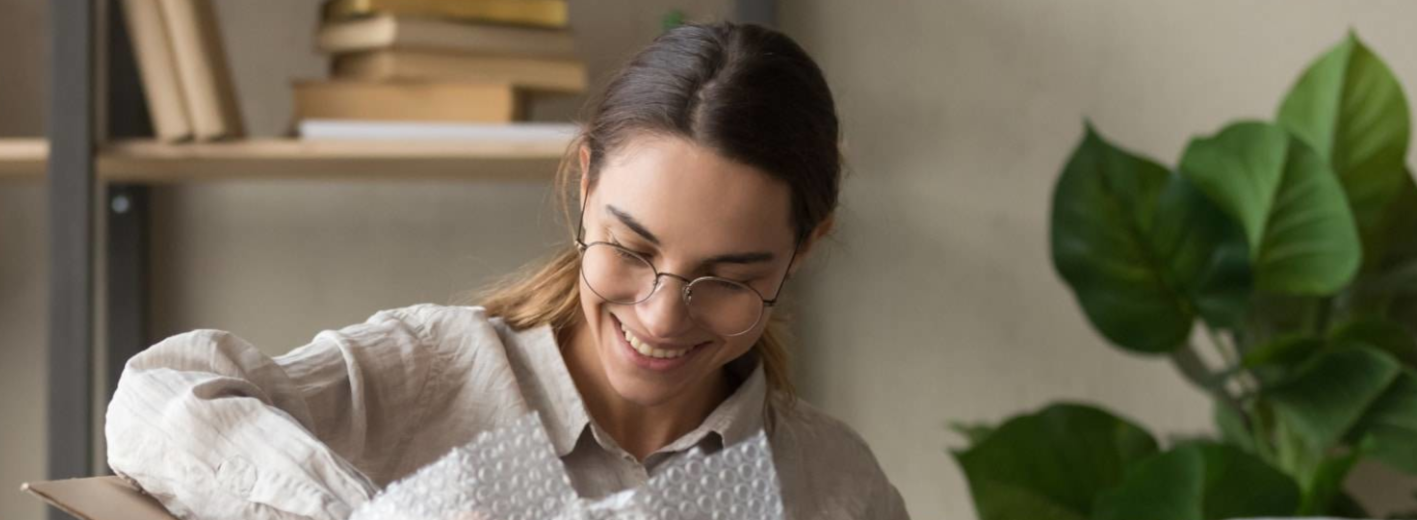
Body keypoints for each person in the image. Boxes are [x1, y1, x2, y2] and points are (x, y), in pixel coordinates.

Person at [105, 22, 910, 520]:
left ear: (804, 249)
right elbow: (156, 399)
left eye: (727, 278)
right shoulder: (433, 372)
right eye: (632, 250)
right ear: (585, 185)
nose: (661, 317)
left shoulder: (833, 485)